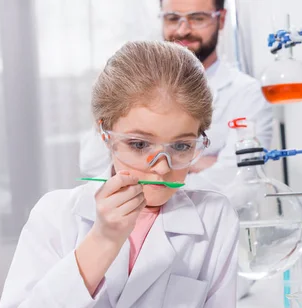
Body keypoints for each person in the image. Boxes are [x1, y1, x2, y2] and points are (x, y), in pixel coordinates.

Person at [0, 41, 239, 308]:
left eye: (182, 146)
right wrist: (103, 241)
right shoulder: (55, 215)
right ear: (106, 133)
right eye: (140, 145)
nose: (162, 166)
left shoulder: (214, 219)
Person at [79, 0, 274, 193]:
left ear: (221, 19)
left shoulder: (248, 94)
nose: (182, 30)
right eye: (172, 19)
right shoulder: (133, 83)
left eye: (197, 18)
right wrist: (193, 160)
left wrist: (145, 166)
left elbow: (236, 182)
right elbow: (93, 165)